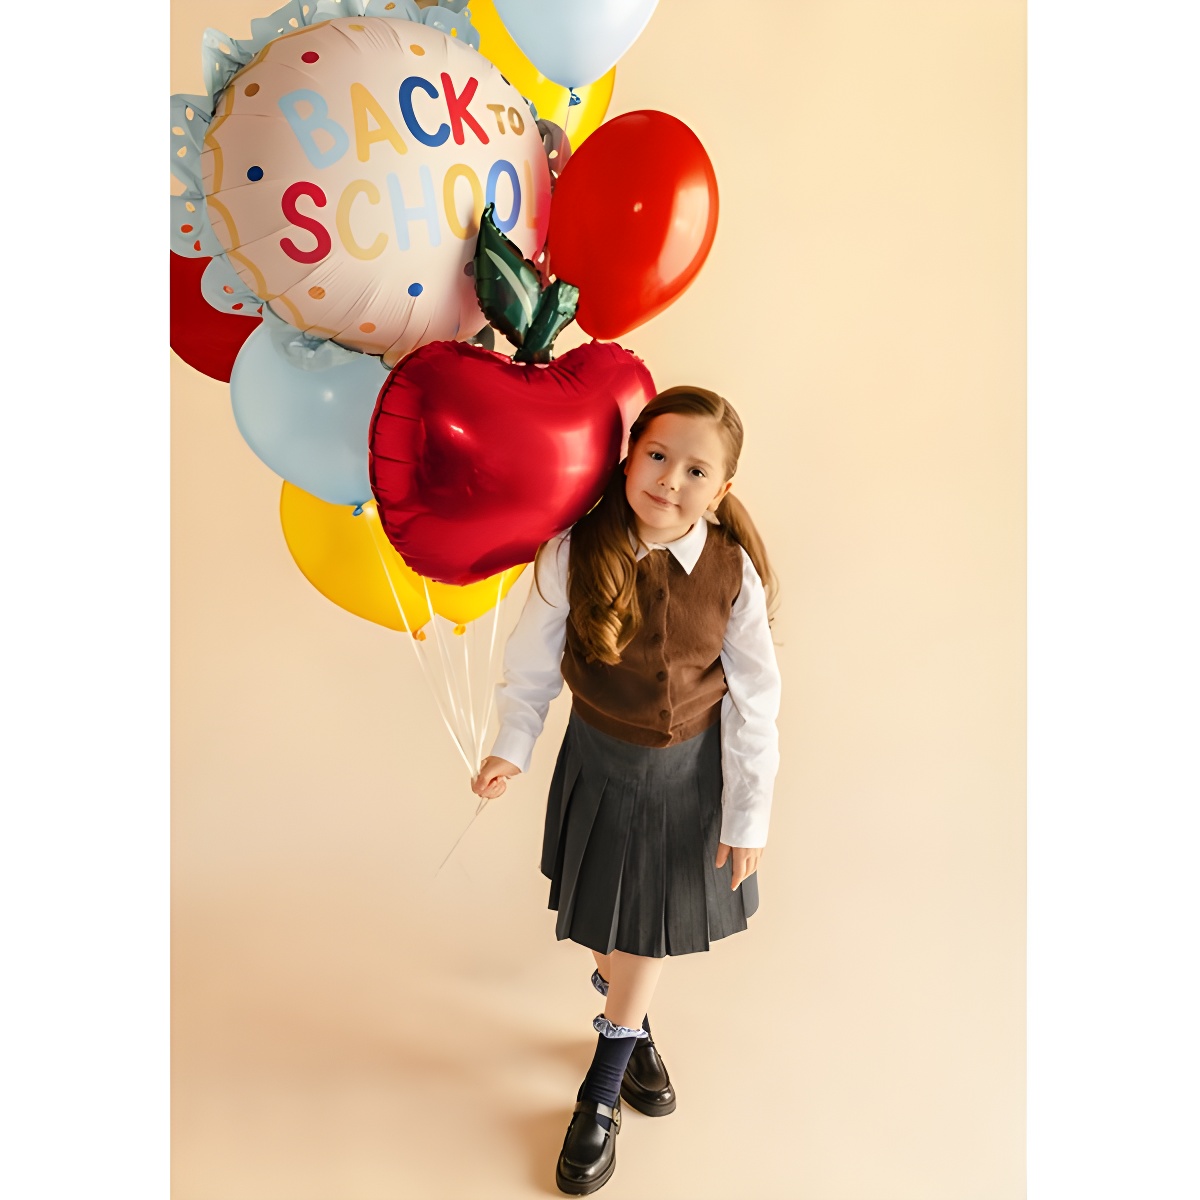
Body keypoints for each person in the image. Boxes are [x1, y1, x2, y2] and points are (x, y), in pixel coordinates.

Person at [471, 386, 782, 1195]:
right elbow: (532, 665)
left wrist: (748, 814)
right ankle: (633, 1020)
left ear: (721, 489)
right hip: (601, 763)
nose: (670, 480)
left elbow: (756, 700)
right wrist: (511, 748)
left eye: (696, 471)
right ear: (628, 453)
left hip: (688, 777)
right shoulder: (573, 552)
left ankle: (602, 1089)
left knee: (644, 929)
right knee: (608, 922)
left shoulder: (732, 571)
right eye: (657, 455)